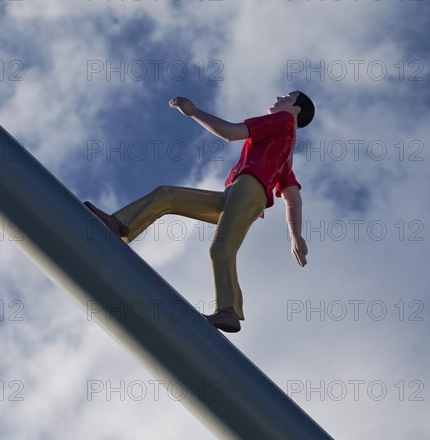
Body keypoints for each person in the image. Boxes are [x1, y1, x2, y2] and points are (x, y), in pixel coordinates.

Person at [85, 91, 315, 333]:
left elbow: (231, 133)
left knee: (222, 247)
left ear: (296, 110)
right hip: (237, 194)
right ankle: (121, 224)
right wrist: (295, 234)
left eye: (287, 96)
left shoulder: (282, 121)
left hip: (248, 190)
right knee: (167, 196)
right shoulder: (285, 149)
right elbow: (292, 196)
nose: (279, 97)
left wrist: (194, 112)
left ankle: (229, 311)